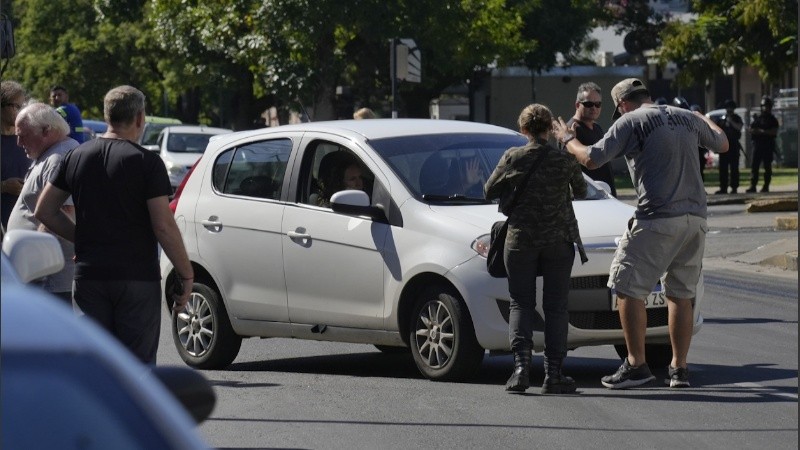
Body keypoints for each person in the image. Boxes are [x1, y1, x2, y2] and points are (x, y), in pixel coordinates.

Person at [553, 78, 728, 389]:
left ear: (621, 104)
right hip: (696, 218)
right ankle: (679, 368)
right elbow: (722, 143)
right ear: (647, 96)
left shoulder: (630, 121)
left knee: (626, 287)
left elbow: (592, 158)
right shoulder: (684, 116)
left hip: (658, 218)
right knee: (681, 294)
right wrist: (701, 116)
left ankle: (636, 364)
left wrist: (568, 140)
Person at [34, 85, 193, 365]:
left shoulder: (76, 156)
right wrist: (186, 274)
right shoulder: (147, 162)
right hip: (136, 278)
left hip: (89, 276)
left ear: (107, 116)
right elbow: (163, 226)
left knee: (97, 365)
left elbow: (44, 210)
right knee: (138, 369)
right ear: (140, 118)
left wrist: (81, 238)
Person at [484, 103, 587, 394]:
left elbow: (488, 190)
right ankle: (554, 374)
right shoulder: (563, 160)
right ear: (549, 129)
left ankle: (520, 371)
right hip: (558, 240)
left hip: (520, 241)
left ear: (523, 130)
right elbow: (580, 190)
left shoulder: (513, 157)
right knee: (556, 307)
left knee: (521, 303)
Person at [7, 103, 79, 303]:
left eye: (23, 135)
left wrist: (33, 263)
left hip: (49, 277)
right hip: (42, 274)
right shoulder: (50, 153)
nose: (19, 143)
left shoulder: (59, 158)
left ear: (46, 130)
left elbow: (63, 213)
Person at [566, 82, 616, 196]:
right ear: (578, 105)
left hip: (605, 194)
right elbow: (567, 164)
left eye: (598, 104)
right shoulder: (570, 130)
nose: (594, 108)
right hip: (588, 198)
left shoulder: (597, 127)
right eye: (588, 104)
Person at [1, 80, 29, 230]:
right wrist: (4, 186)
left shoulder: (28, 139)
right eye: (16, 106)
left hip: (25, 225)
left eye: (22, 107)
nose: (21, 112)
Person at [746, 96, 780, 193]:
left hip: (768, 146)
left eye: (767, 106)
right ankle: (753, 185)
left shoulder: (772, 119)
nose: (765, 108)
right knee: (754, 166)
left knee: (767, 167)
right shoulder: (758, 118)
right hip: (757, 145)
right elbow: (751, 129)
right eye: (764, 106)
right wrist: (754, 131)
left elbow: (774, 132)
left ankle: (766, 186)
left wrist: (762, 131)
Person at [714, 99, 743, 194]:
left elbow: (739, 127)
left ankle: (734, 187)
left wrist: (731, 122)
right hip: (724, 146)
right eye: (728, 108)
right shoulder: (721, 119)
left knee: (734, 168)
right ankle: (723, 187)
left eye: (731, 108)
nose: (729, 110)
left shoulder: (737, 118)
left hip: (734, 146)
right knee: (723, 168)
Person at [690, 104, 709, 180]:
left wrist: (705, 150)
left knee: (700, 171)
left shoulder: (703, 124)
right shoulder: (687, 123)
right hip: (691, 150)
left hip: (700, 150)